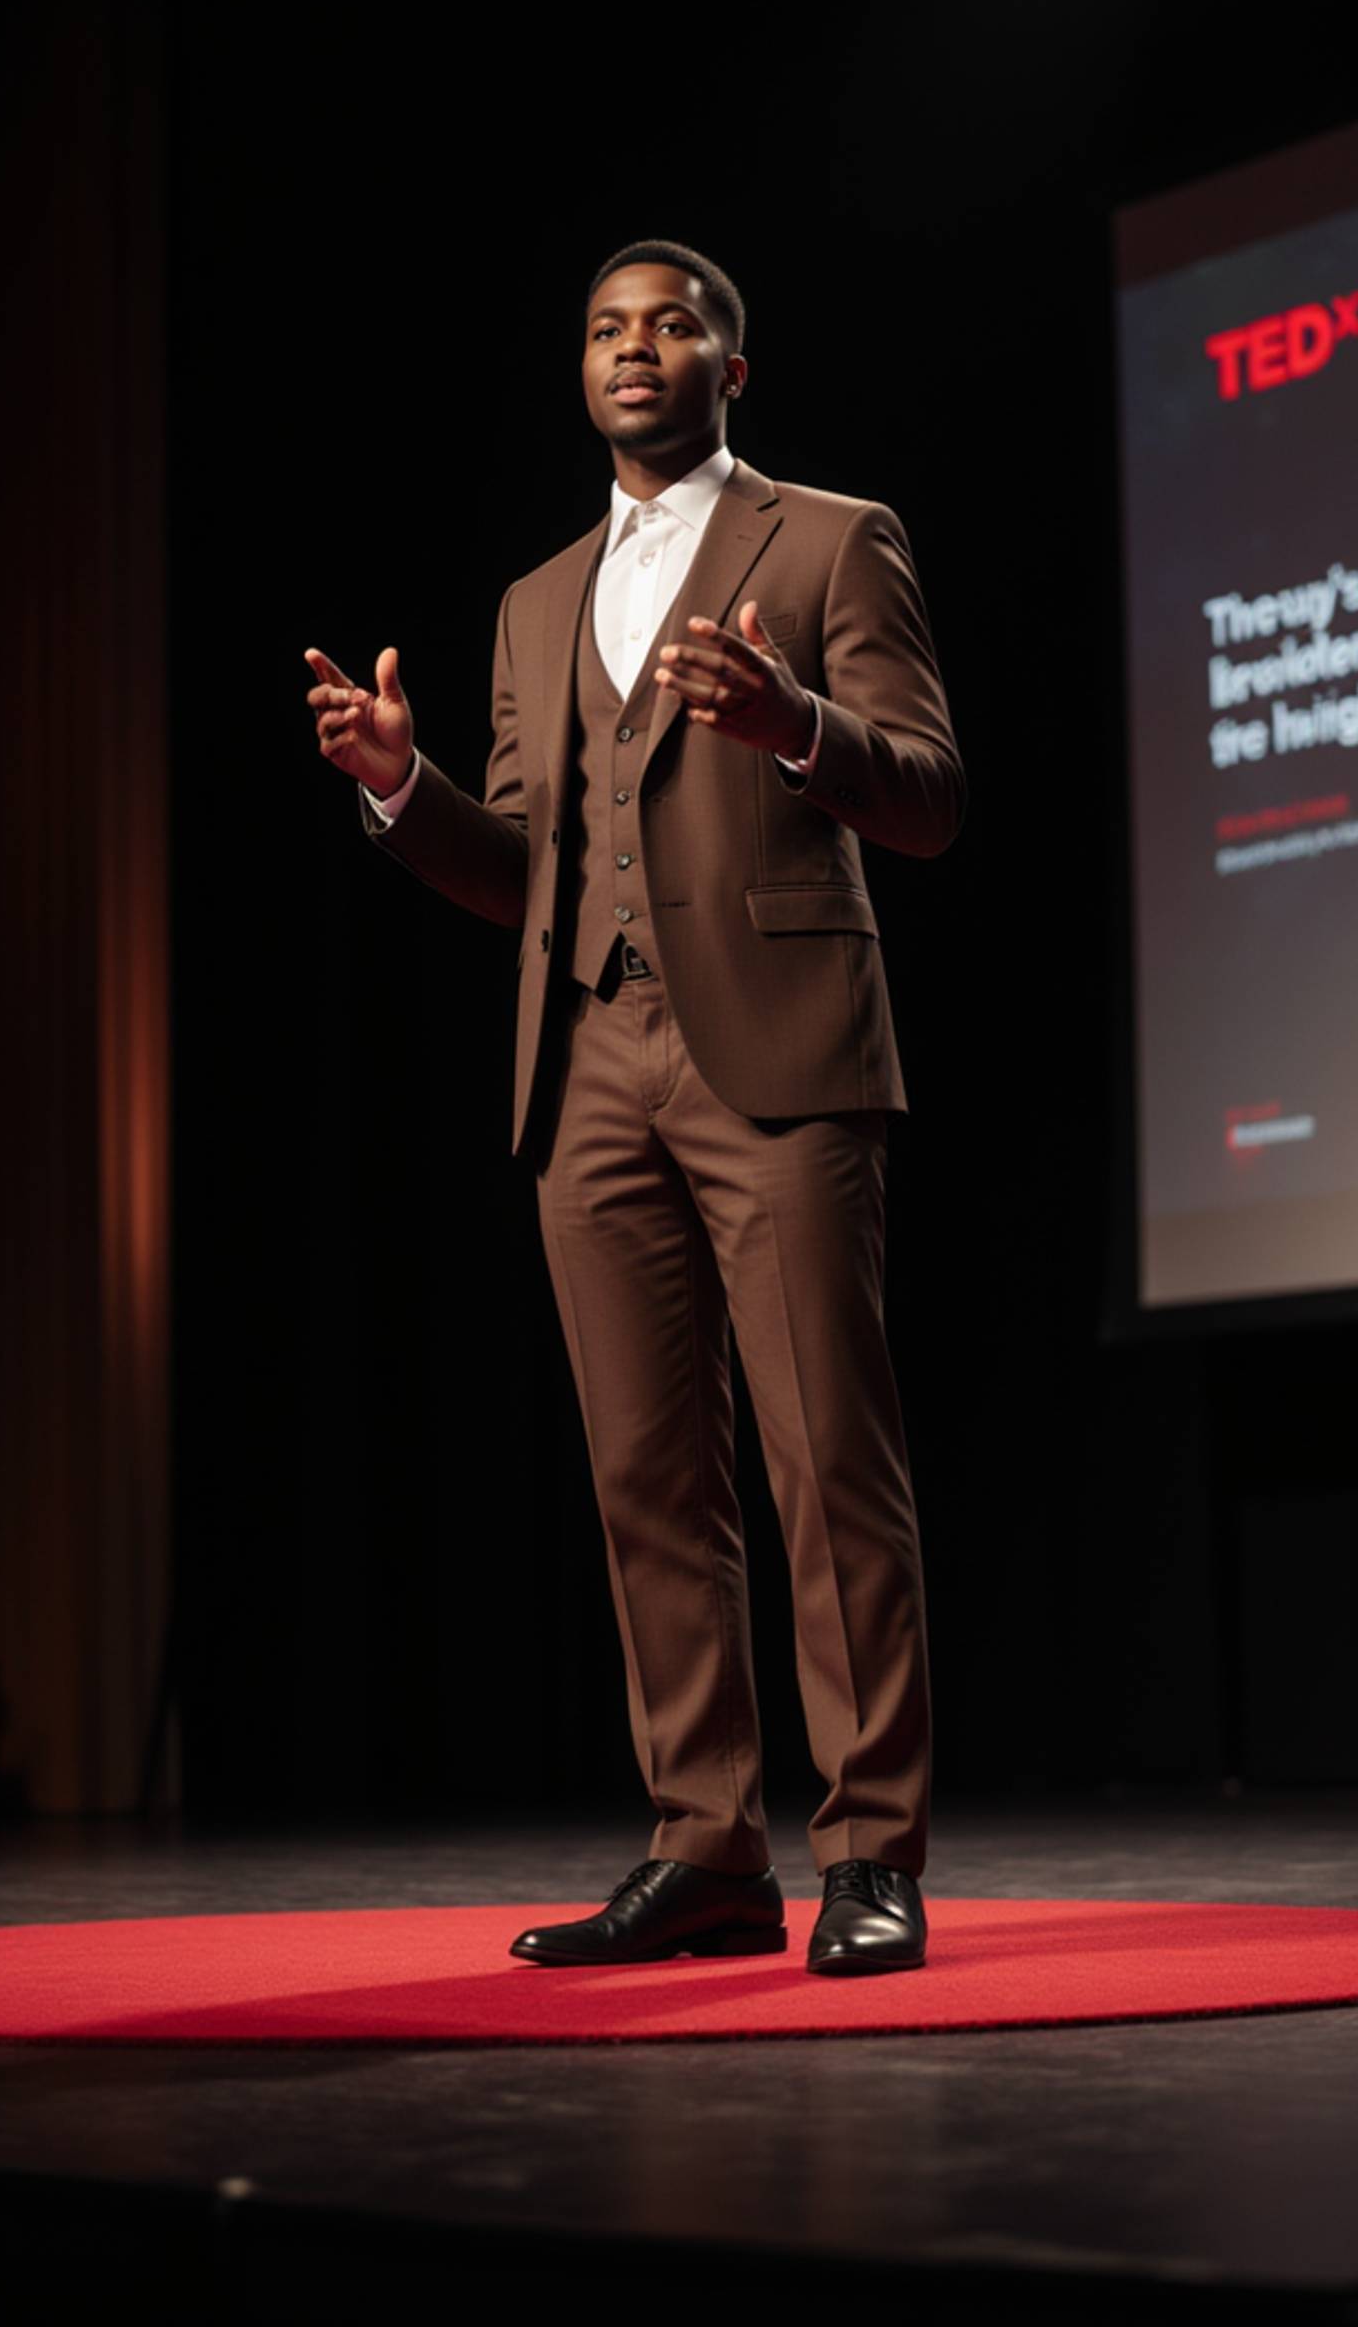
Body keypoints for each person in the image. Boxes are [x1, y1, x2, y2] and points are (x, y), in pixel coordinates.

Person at [304, 239, 964, 1974]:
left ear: (730, 371)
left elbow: (930, 796)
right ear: (580, 368)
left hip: (781, 1046)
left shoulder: (833, 539)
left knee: (828, 1461)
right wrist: (404, 791)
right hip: (585, 1061)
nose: (635, 347)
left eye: (673, 326)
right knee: (647, 1476)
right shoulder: (536, 601)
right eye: (607, 328)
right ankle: (709, 1847)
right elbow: (526, 866)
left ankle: (870, 1851)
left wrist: (797, 722)